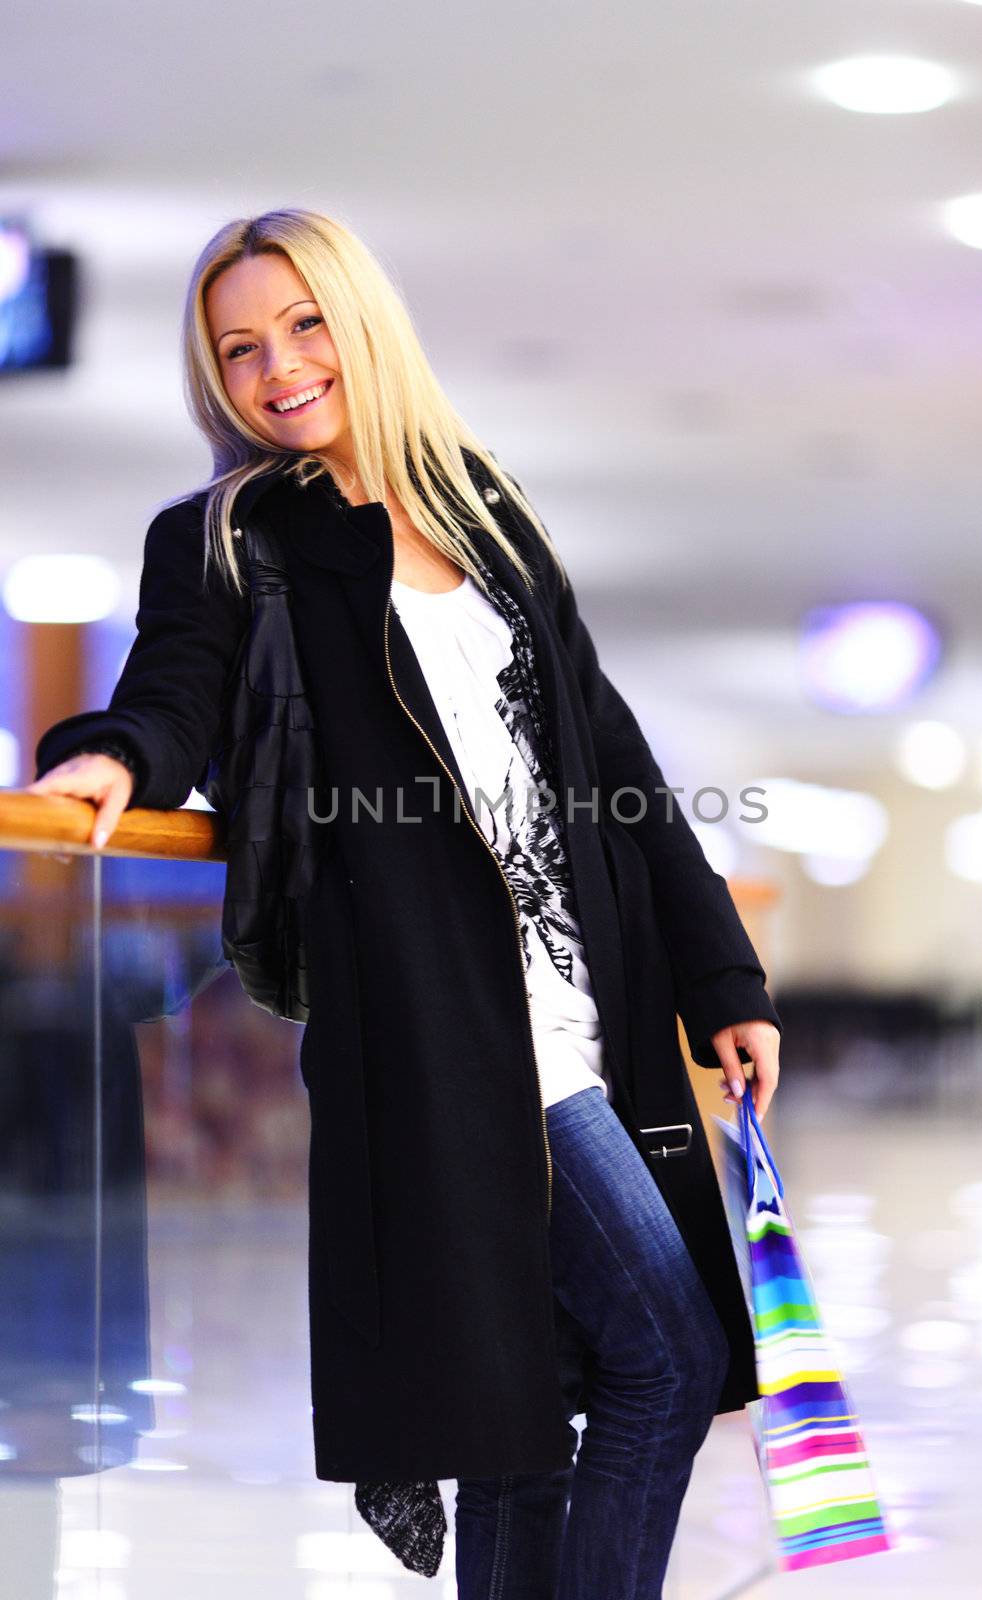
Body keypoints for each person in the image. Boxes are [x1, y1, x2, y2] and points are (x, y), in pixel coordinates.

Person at [29, 208, 782, 1595]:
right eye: (240, 347)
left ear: (362, 323)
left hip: (587, 1010)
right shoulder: (228, 536)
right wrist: (109, 757)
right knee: (663, 1358)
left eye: (305, 324)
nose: (279, 367)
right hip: (446, 1037)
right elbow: (176, 689)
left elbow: (611, 755)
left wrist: (720, 979)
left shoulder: (487, 508)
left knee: (520, 1423)